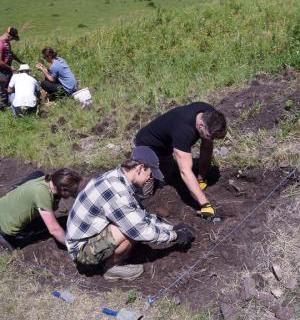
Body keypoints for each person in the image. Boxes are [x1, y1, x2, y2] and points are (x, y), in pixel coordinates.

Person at [66, 146, 195, 281]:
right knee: (128, 230)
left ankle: (112, 255)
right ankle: (111, 268)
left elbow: (139, 214)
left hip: (87, 238)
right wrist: (174, 236)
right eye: (150, 174)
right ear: (140, 168)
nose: (149, 179)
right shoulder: (118, 193)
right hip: (82, 252)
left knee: (129, 223)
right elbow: (140, 229)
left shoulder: (116, 177)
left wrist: (171, 228)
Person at [134, 102, 227, 219]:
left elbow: (207, 147)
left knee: (167, 177)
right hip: (147, 145)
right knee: (147, 188)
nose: (211, 139)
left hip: (165, 147)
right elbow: (185, 171)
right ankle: (138, 207)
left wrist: (201, 178)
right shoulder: (183, 130)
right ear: (201, 125)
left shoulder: (210, 115)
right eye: (210, 136)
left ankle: (162, 176)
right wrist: (205, 204)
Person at [0, 168, 82, 250]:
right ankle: (5, 238)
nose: (75, 192)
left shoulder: (48, 179)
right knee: (59, 223)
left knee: (38, 173)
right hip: (6, 228)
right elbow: (54, 230)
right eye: (73, 190)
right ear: (62, 189)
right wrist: (73, 247)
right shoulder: (43, 195)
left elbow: (72, 193)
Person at [0, 27, 24, 108]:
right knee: (3, 88)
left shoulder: (7, 43)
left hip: (7, 68)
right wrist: (10, 68)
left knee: (8, 87)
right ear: (9, 35)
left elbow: (11, 54)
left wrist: (20, 61)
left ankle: (8, 104)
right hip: (2, 70)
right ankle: (3, 106)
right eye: (13, 38)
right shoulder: (1, 44)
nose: (12, 40)